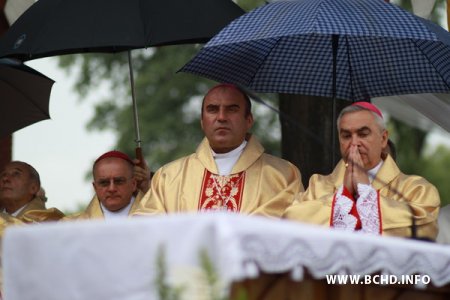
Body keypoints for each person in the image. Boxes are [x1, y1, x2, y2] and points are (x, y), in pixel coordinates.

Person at [134, 83, 303, 217]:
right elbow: (146, 229)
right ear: (202, 121)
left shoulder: (283, 175)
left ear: (249, 120)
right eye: (213, 109)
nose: (221, 117)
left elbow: (296, 228)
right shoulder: (168, 177)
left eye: (232, 109)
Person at [284, 102, 440, 239]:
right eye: (346, 136)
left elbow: (426, 227)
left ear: (383, 139)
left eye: (363, 134)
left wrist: (366, 193)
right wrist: (344, 195)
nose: (354, 143)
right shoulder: (318, 184)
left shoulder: (415, 188)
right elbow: (290, 219)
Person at [65, 150, 150, 220]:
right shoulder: (70, 226)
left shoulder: (155, 219)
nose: (112, 189)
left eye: (119, 181)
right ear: (95, 188)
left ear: (133, 184)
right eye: (104, 183)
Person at [0, 161, 64, 223]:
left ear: (33, 188)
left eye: (16, 174)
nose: (5, 179)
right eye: (3, 174)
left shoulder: (49, 222)